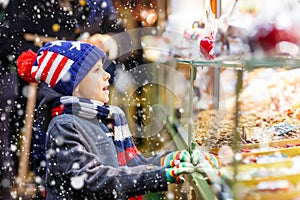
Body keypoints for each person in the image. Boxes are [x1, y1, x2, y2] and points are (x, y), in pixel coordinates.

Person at [16, 40, 203, 199]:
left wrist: (167, 161)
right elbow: (96, 179)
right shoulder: (64, 125)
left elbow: (128, 166)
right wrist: (161, 175)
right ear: (75, 86)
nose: (106, 75)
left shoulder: (100, 118)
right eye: (96, 70)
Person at [0, 1, 139, 196]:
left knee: (98, 167)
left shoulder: (97, 3)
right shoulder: (26, 4)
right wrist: (52, 56)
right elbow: (8, 44)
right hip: (43, 106)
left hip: (95, 105)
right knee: (52, 174)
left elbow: (127, 43)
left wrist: (107, 42)